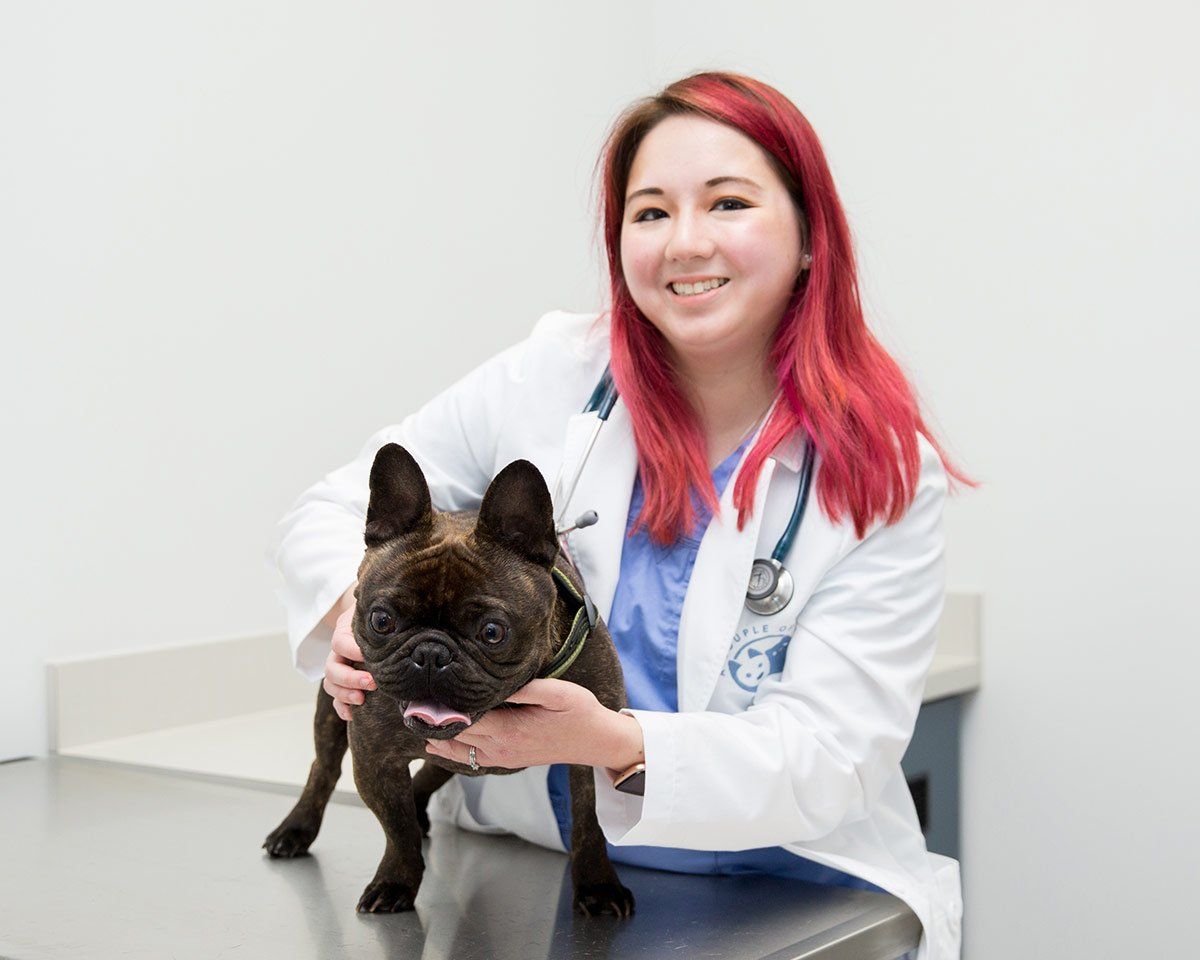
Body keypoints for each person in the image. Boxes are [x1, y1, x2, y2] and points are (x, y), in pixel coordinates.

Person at [273, 71, 973, 960]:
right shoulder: (551, 374)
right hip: (526, 879)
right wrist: (349, 608)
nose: (685, 242)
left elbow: (834, 755)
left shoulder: (882, 466)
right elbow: (334, 506)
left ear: (808, 236)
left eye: (727, 203)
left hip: (794, 888)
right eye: (649, 213)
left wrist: (610, 741)